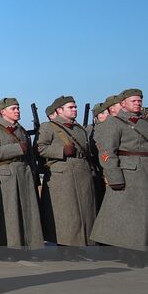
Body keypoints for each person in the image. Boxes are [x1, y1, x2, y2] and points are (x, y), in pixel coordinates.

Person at [92, 88, 148, 267]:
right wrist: (114, 175)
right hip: (130, 171)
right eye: (133, 100)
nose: (138, 103)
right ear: (123, 104)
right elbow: (106, 152)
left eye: (139, 100)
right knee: (132, 216)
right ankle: (132, 254)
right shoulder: (114, 123)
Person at [35, 96, 97, 258]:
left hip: (82, 172)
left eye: (75, 107)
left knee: (83, 211)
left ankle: (79, 245)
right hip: (62, 175)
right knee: (66, 213)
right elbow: (40, 149)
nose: (74, 109)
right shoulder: (49, 127)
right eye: (71, 107)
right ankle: (66, 248)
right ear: (59, 110)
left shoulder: (79, 129)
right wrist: (61, 151)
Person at [0, 97, 44, 259]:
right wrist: (16, 148)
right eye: (13, 109)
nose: (17, 111)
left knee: (26, 211)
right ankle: (6, 249)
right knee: (8, 213)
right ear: (2, 112)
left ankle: (26, 246)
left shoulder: (21, 130)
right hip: (6, 174)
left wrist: (33, 174)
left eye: (18, 108)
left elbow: (30, 155)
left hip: (24, 173)